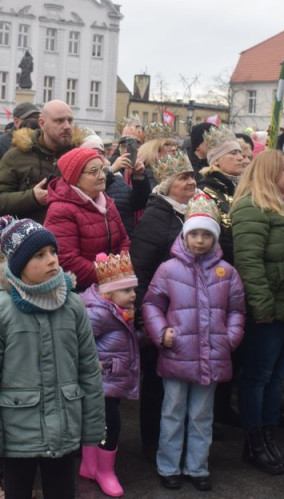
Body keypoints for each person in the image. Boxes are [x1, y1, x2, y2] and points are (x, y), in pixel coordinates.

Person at [0, 218, 105, 499]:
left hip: (65, 427)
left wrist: (93, 427)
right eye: (39, 255)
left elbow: (88, 369)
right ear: (18, 264)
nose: (52, 261)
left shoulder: (72, 304)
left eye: (53, 252)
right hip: (18, 432)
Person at [143, 195, 246, 491]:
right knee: (172, 411)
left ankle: (197, 466)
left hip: (212, 354)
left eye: (206, 234)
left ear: (214, 237)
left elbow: (237, 310)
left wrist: (230, 338)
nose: (200, 240)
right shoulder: (168, 269)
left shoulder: (227, 272)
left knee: (202, 414)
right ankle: (168, 465)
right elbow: (151, 304)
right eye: (194, 234)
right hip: (177, 353)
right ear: (184, 235)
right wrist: (161, 332)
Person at [230, 149, 284, 474]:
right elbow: (249, 262)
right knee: (257, 377)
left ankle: (267, 435)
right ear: (267, 173)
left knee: (277, 377)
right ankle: (254, 442)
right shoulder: (251, 207)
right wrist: (262, 306)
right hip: (270, 310)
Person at [129, 150, 197, 460]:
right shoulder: (157, 216)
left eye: (193, 176)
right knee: (157, 383)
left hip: (189, 311)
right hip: (162, 312)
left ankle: (177, 442)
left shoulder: (191, 212)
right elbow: (140, 271)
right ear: (167, 184)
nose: (191, 182)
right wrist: (146, 318)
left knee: (182, 382)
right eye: (184, 177)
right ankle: (152, 444)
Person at [79, 252, 140, 497]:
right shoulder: (101, 313)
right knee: (109, 425)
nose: (133, 295)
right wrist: (94, 362)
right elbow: (81, 341)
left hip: (113, 379)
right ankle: (104, 471)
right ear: (109, 293)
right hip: (102, 380)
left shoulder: (120, 310)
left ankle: (89, 466)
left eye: (133, 289)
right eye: (126, 291)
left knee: (100, 424)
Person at [43, 147, 130, 289]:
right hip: (83, 292)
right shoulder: (61, 210)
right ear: (75, 179)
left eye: (102, 169)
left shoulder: (106, 201)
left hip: (112, 285)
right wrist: (111, 273)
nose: (102, 176)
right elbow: (68, 261)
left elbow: (123, 240)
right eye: (93, 172)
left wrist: (121, 267)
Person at [0, 100, 76, 223]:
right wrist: (32, 198)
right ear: (42, 123)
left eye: (70, 120)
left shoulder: (78, 155)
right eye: (59, 121)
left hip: (69, 235)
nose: (67, 126)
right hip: (29, 236)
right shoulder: (18, 155)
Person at [199, 125, 246, 264]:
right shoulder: (205, 192)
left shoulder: (241, 188)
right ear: (217, 160)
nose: (240, 158)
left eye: (240, 153)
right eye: (233, 153)